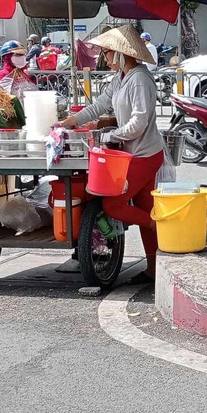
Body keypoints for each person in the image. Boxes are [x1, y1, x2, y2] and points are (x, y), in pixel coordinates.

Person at [58, 26, 163, 286]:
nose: (104, 58)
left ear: (120, 53)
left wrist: (110, 135)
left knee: (113, 205)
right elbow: (98, 106)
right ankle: (154, 270)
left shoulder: (140, 79)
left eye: (106, 53)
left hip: (144, 154)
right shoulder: (120, 78)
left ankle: (157, 225)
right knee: (142, 208)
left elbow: (138, 123)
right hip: (133, 153)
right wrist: (68, 122)